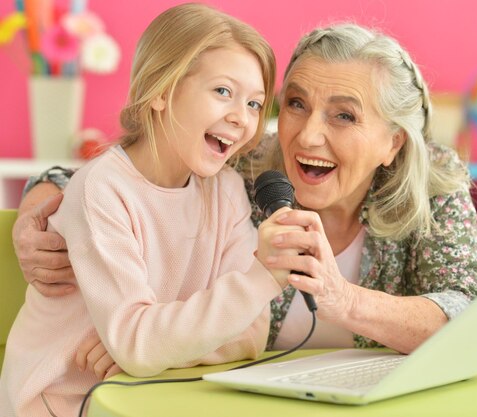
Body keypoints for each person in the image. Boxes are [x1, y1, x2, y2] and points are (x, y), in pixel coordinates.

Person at [12, 22, 477, 376]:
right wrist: (39, 207)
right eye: (296, 105)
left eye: (344, 116)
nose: (308, 136)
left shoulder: (434, 188)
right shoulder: (242, 162)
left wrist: (340, 298)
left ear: (393, 143)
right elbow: (125, 172)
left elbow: (473, 315)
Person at [0, 4, 299, 416]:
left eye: (254, 104)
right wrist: (262, 277)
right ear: (161, 90)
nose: (241, 118)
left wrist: (154, 351)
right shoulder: (103, 190)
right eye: (223, 92)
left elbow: (250, 331)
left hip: (154, 393)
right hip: (62, 404)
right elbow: (140, 343)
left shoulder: (226, 191)